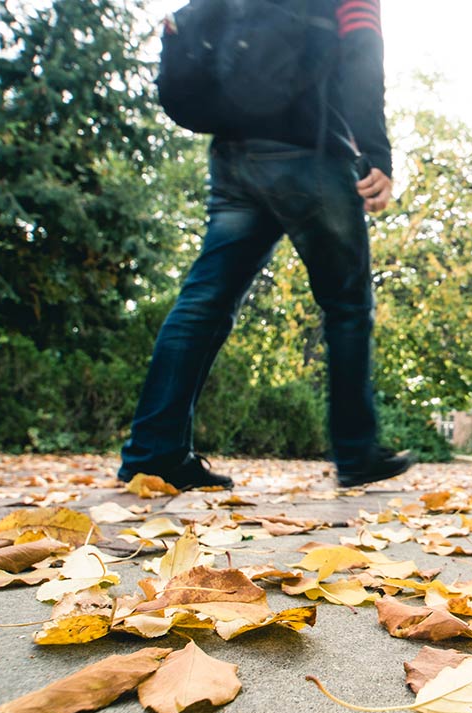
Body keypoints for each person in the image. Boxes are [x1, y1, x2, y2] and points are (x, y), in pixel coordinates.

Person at [117, 0, 412, 491]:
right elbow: (362, 50)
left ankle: (154, 453)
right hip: (309, 154)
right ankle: (357, 452)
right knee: (346, 305)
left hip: (234, 156)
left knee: (204, 301)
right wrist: (376, 152)